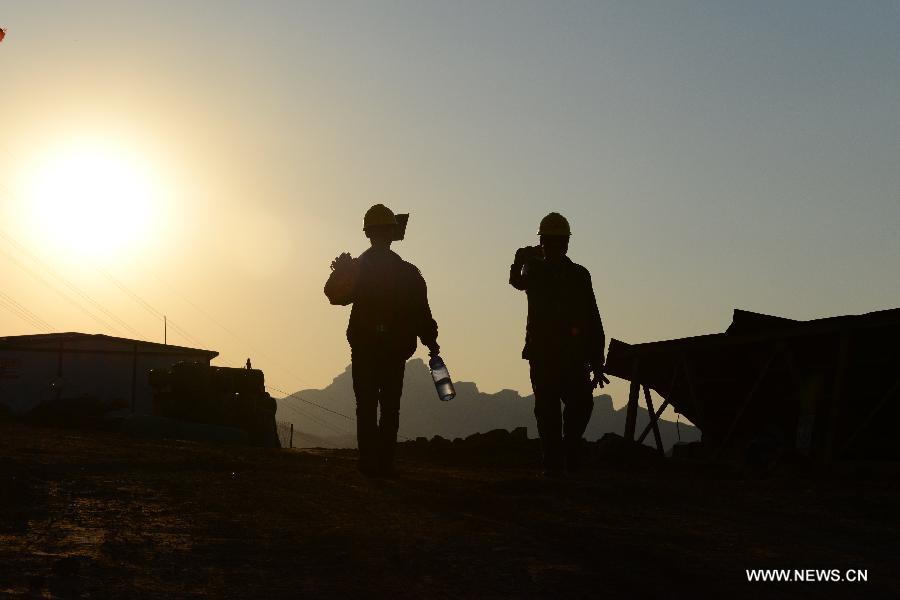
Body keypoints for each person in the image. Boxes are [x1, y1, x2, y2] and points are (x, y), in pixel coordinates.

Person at [325, 204, 440, 476]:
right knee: (390, 406)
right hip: (393, 350)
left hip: (365, 348)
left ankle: (368, 461)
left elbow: (334, 296)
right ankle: (385, 462)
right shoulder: (408, 273)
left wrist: (339, 272)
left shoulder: (358, 269)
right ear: (391, 233)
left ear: (367, 233)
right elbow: (421, 312)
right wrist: (431, 342)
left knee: (365, 405)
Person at [509, 212, 607, 477]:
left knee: (577, 406)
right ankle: (555, 465)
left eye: (554, 241)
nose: (552, 246)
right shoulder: (536, 271)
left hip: (570, 356)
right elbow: (516, 282)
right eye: (549, 242)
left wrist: (597, 361)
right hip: (546, 355)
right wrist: (520, 258)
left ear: (564, 243)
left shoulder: (578, 275)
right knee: (549, 411)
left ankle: (566, 456)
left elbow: (591, 317)